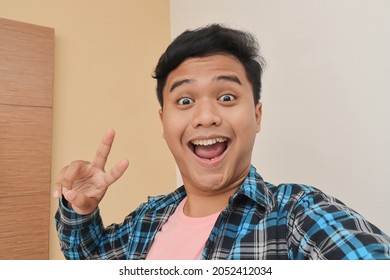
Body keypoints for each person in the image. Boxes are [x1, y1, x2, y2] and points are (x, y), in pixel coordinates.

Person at [54, 24, 390, 260]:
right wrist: (81, 210)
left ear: (257, 115)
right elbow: (88, 258)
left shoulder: (297, 215)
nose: (205, 116)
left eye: (227, 96)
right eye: (185, 101)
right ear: (163, 122)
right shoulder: (147, 218)